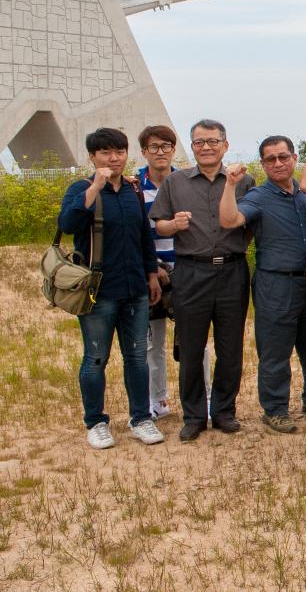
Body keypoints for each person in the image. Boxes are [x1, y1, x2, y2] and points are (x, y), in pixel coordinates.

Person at [220, 137, 306, 433]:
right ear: (263, 164)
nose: (278, 163)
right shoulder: (259, 197)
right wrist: (229, 185)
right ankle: (274, 409)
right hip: (275, 283)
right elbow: (229, 220)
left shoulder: (301, 193)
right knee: (275, 350)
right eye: (270, 159)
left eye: (283, 157)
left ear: (293, 158)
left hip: (305, 281)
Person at [58, 127, 164, 449]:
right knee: (95, 359)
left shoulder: (133, 191)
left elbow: (144, 235)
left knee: (136, 358)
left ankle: (141, 418)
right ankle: (95, 422)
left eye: (119, 151)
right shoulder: (81, 188)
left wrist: (151, 273)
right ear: (92, 157)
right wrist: (95, 187)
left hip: (135, 288)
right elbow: (68, 225)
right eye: (105, 152)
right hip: (98, 291)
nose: (113, 158)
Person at [150, 119, 253, 442]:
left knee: (230, 346)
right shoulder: (175, 182)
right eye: (198, 142)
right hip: (191, 271)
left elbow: (251, 223)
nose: (206, 147)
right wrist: (173, 225)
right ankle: (194, 415)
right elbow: (159, 226)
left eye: (212, 141)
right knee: (191, 348)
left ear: (225, 144)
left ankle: (224, 411)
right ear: (191, 147)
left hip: (233, 270)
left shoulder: (243, 181)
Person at [136, 124, 183, 421]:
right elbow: (136, 232)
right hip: (150, 272)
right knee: (153, 342)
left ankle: (200, 399)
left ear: (173, 150)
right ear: (144, 152)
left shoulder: (184, 181)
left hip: (185, 270)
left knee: (193, 340)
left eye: (166, 146)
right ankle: (157, 399)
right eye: (154, 147)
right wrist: (151, 266)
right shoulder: (134, 186)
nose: (160, 152)